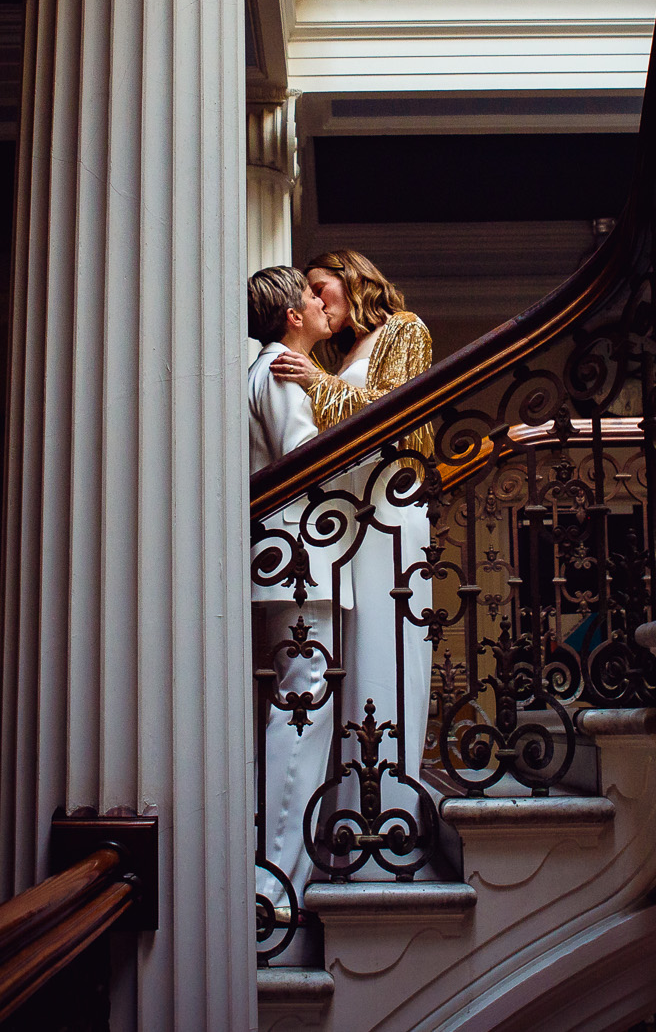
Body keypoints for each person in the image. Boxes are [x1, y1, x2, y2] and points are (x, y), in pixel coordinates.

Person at [268, 249, 435, 875]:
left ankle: (391, 826)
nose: (316, 298)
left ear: (354, 276)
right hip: (352, 522)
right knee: (356, 669)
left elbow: (399, 422)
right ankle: (347, 828)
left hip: (392, 515)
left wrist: (315, 382)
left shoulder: (404, 329)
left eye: (320, 284)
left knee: (389, 661)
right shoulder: (339, 360)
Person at [244, 266, 335, 921]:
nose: (317, 297)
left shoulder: (269, 365)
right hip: (296, 558)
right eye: (308, 292)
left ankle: (279, 871)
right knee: (301, 710)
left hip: (285, 559)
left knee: (298, 706)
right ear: (291, 315)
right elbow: (304, 457)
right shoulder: (279, 367)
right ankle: (274, 880)